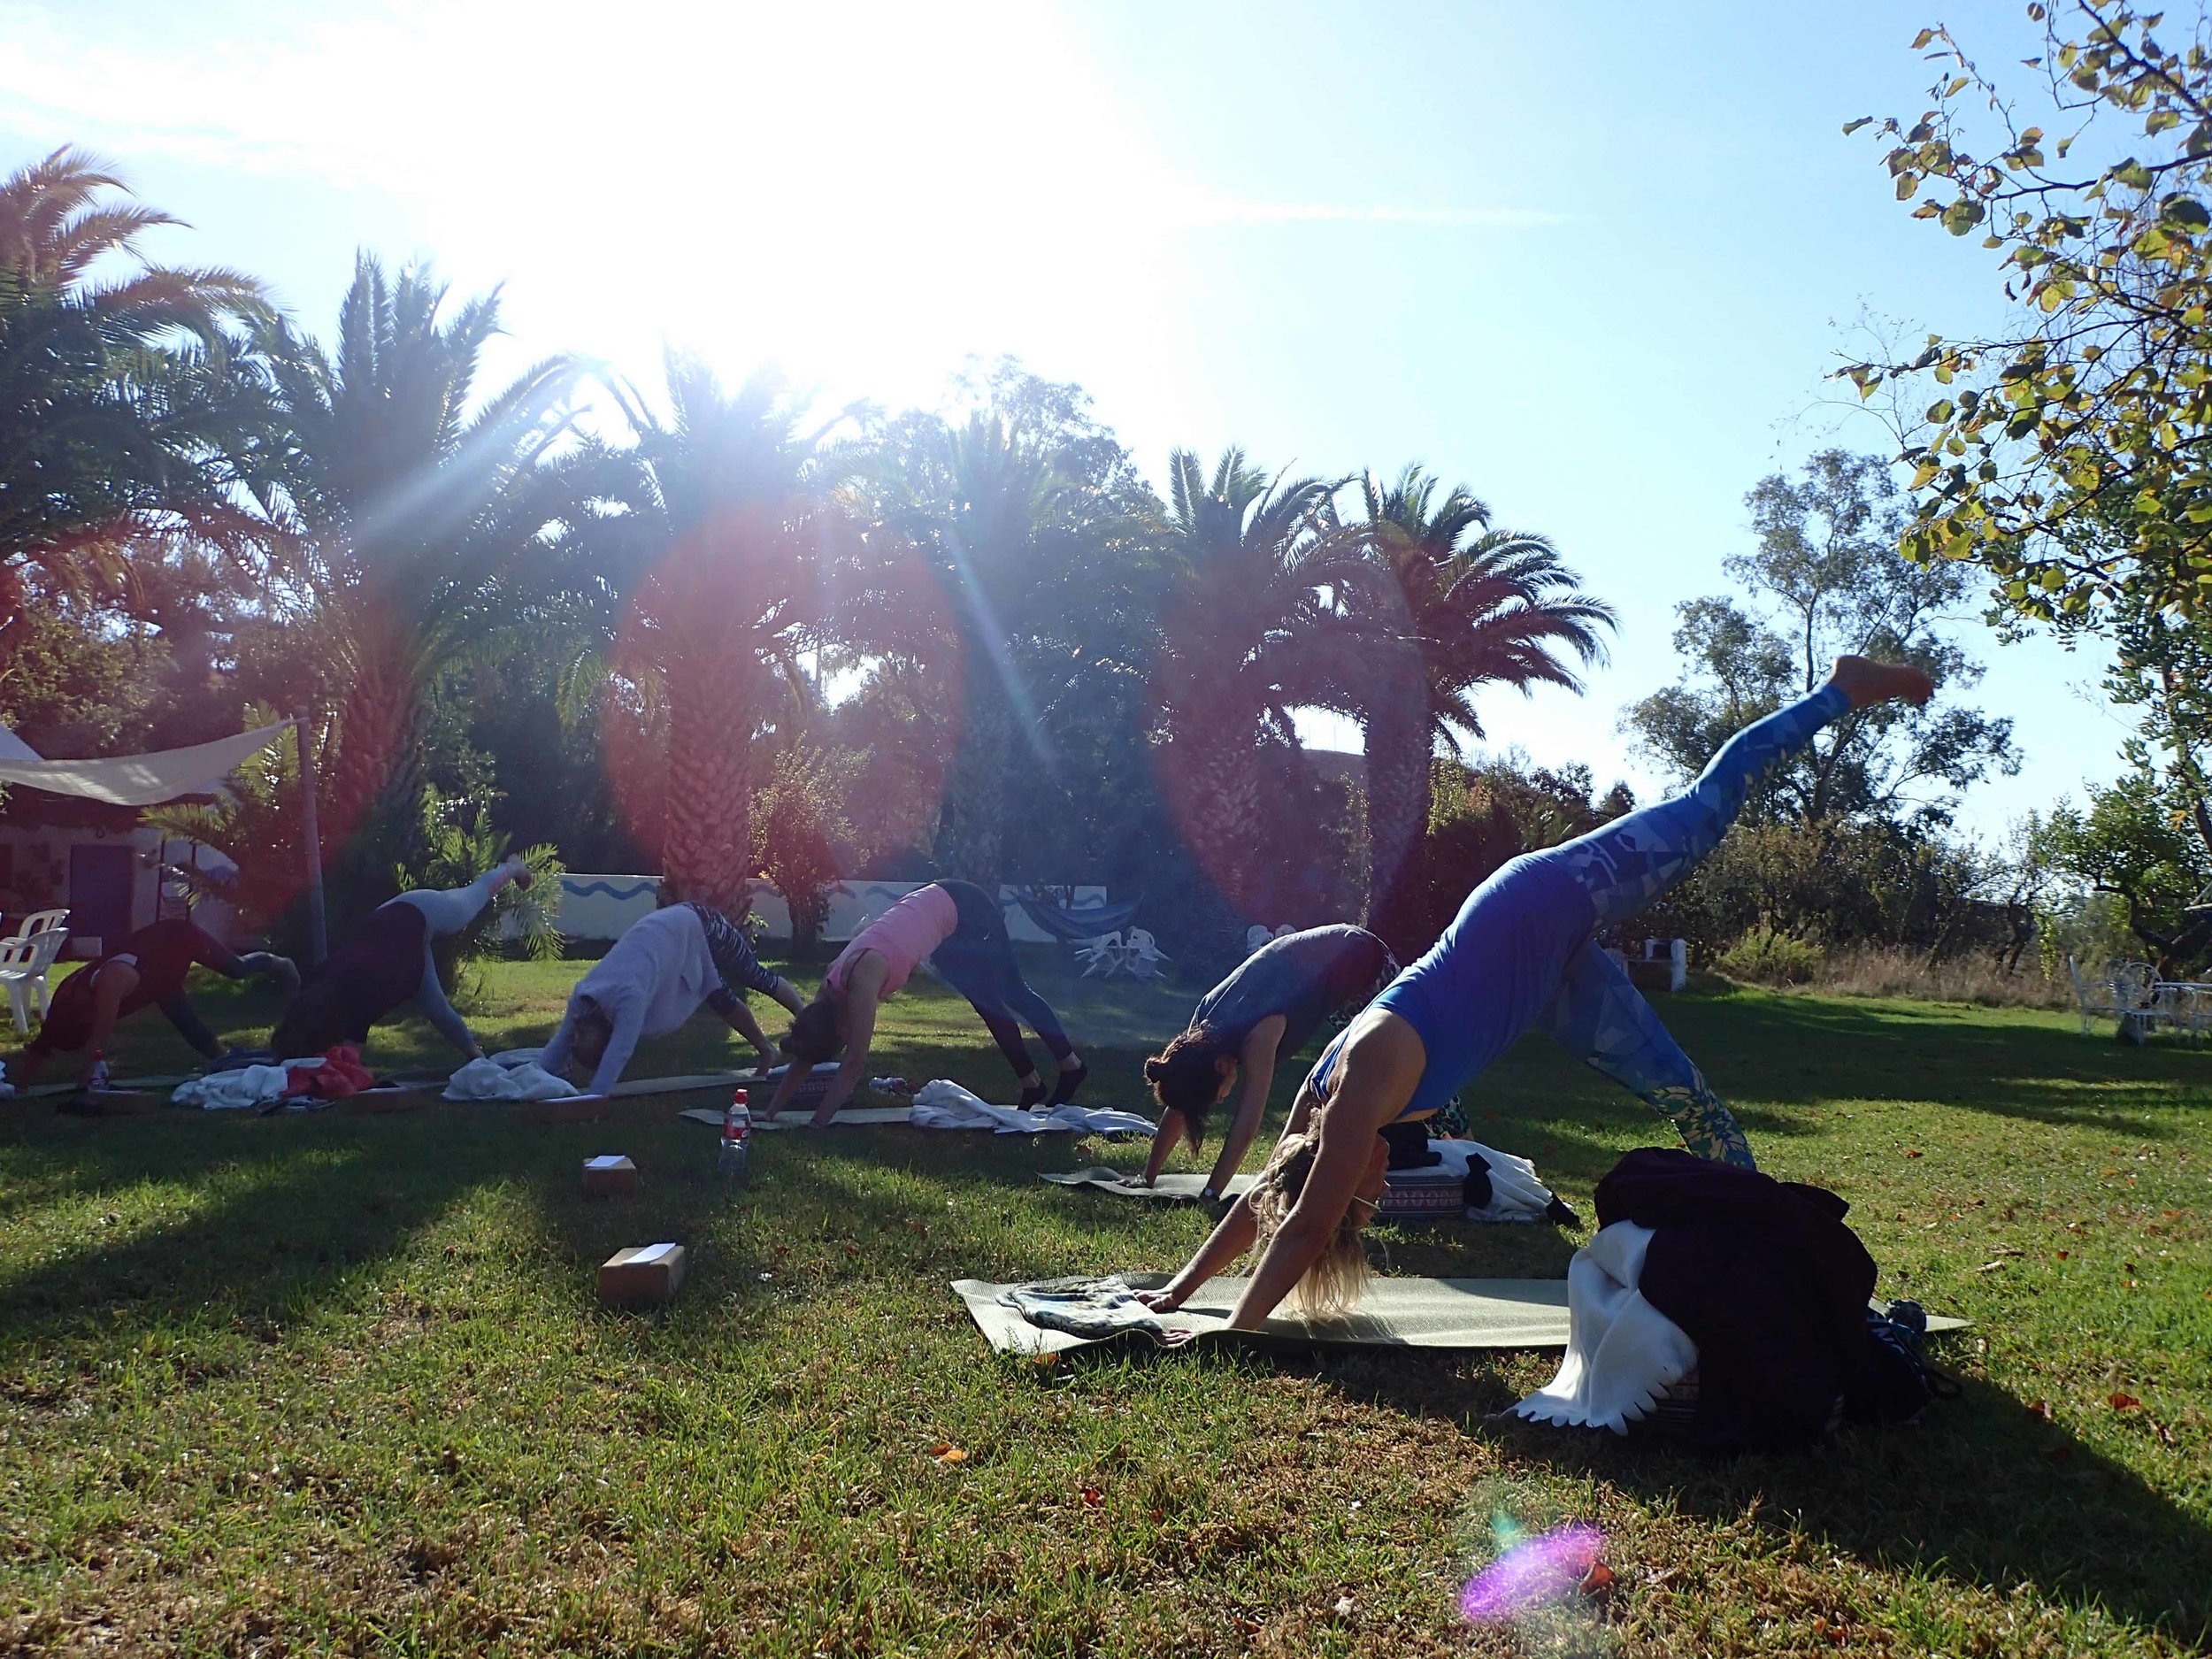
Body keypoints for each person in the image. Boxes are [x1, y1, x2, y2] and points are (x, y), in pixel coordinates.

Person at [1136, 657, 1936, 1332]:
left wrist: (1240, 1333)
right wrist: (1180, 1289)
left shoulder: (1355, 1091)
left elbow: (1306, 1221)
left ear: (1343, 1174)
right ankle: (1785, 1263)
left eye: (1366, 1196)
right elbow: (1269, 1203)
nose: (1381, 1193)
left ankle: (1841, 688)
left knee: (1703, 811)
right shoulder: (1319, 1131)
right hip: (1548, 979)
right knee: (1690, 1100)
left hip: (1535, 905)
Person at [767, 879, 1084, 1125]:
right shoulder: (826, 998)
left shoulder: (861, 981)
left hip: (967, 905)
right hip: (938, 914)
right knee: (985, 1002)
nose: (846, 1041)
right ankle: (1032, 1084)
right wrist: (770, 1113)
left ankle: (1070, 1066)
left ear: (840, 1025)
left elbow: (854, 1063)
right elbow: (808, 1048)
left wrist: (818, 1123)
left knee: (1012, 990)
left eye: (841, 1040)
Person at [1139, 924, 1395, 1199]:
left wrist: (1212, 1193)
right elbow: (1180, 1097)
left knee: (1385, 1060)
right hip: (1332, 965)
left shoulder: (1258, 1037)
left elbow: (1247, 1125)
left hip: (1365, 960)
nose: (1222, 1100)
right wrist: (1147, 1177)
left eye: (1218, 1097)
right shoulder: (1203, 1027)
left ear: (1221, 1067)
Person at [270, 856, 534, 1062]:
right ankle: (477, 1057)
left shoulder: (362, 1001)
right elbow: (301, 1025)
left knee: (468, 902)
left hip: (418, 911)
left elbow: (349, 1060)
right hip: (390, 927)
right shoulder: (317, 986)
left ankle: (510, 868)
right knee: (435, 1008)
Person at [537, 897, 805, 1094]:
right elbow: (559, 1045)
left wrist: (593, 1099)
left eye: (578, 1037)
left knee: (754, 975)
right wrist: (534, 1078)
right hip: (674, 935)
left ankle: (808, 1019)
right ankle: (767, 1051)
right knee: (719, 998)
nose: (575, 1034)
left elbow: (618, 1054)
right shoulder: (585, 1004)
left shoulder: (626, 999)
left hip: (699, 923)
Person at [13, 918, 298, 1089]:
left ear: (82, 1017)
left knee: (236, 969)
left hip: (176, 939)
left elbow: (100, 1035)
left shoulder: (109, 983)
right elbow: (42, 1045)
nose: (93, 1022)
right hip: (157, 979)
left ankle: (279, 962)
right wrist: (19, 1089)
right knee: (187, 1024)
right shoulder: (66, 1011)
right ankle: (224, 1061)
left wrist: (87, 1073)